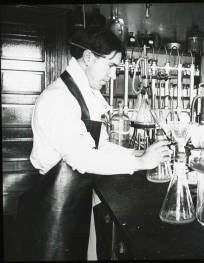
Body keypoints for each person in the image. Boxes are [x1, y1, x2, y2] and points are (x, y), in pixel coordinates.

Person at [16, 27, 171, 261]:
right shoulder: (59, 98)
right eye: (111, 66)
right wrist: (139, 162)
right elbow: (82, 158)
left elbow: (101, 146)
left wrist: (137, 152)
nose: (113, 75)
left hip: (74, 196)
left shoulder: (84, 93)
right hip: (54, 202)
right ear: (88, 57)